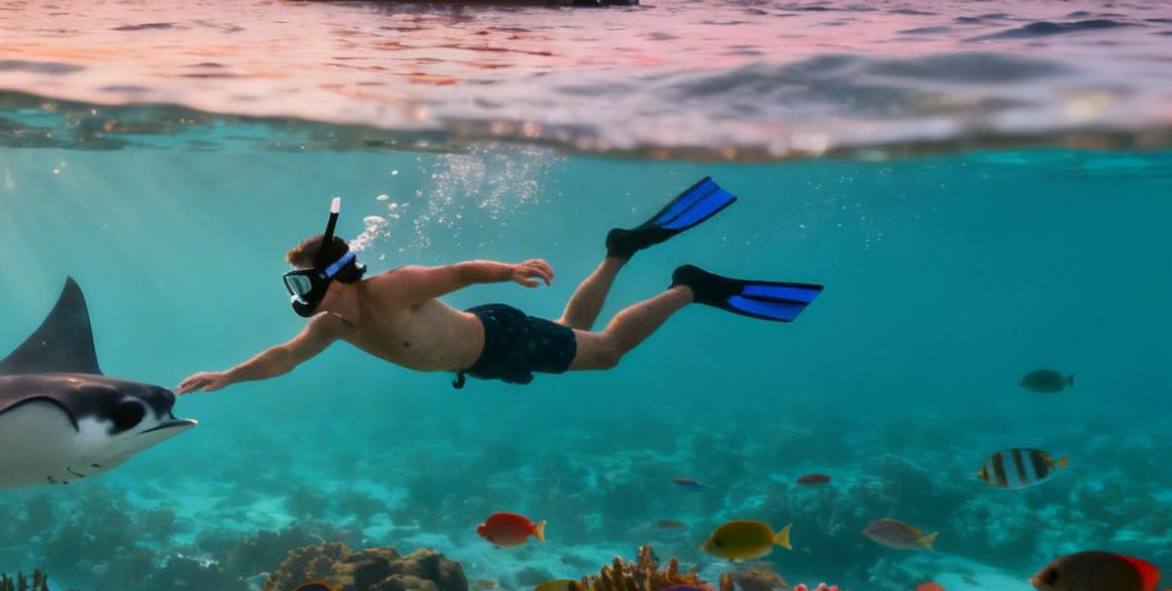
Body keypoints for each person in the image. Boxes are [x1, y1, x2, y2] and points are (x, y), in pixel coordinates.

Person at [176, 180, 821, 395]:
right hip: (484, 356)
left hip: (500, 335)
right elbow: (283, 357)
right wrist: (228, 377)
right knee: (574, 335)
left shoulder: (392, 289)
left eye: (305, 282)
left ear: (337, 276)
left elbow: (457, 274)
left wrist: (510, 269)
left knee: (607, 353)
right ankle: (620, 252)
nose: (300, 294)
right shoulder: (329, 326)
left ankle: (689, 287)